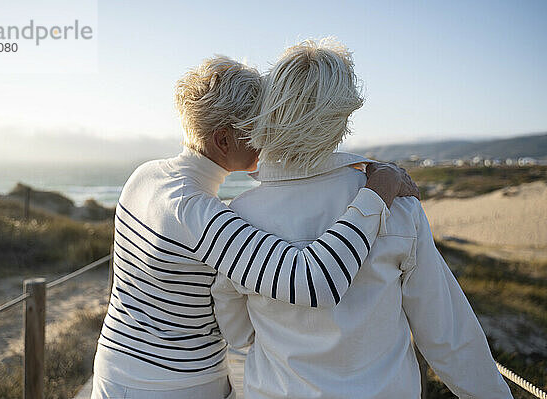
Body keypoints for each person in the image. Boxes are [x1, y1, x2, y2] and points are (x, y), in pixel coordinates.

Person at [90, 56, 418, 399]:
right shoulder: (201, 214)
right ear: (224, 140)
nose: (268, 136)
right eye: (258, 126)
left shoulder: (143, 176)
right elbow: (315, 281)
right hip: (177, 386)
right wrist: (376, 192)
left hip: (112, 368)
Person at [212, 38, 513, 398]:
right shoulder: (398, 206)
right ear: (342, 117)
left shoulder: (238, 218)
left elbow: (238, 332)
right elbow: (448, 336)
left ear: (273, 109)